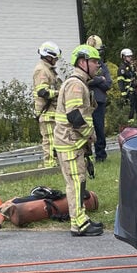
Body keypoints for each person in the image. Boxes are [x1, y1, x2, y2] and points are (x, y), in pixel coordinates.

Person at [53, 44, 104, 237]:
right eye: (94, 61)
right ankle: (78, 224)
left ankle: (80, 219)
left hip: (73, 142)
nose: (97, 65)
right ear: (83, 62)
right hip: (70, 142)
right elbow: (74, 115)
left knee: (79, 181)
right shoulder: (75, 84)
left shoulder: (80, 83)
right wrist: (90, 135)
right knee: (75, 183)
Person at [33, 41, 62, 168]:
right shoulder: (41, 70)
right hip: (46, 112)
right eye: (54, 58)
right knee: (49, 140)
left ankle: (55, 162)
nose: (56, 60)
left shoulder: (48, 70)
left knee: (55, 139)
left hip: (52, 111)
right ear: (48, 56)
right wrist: (58, 93)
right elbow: (42, 91)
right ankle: (50, 164)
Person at [85, 35, 112, 163]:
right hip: (86, 102)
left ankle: (101, 156)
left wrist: (94, 81)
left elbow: (108, 84)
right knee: (86, 129)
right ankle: (87, 155)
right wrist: (99, 79)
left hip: (99, 102)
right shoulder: (85, 66)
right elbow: (84, 80)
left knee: (99, 129)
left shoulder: (102, 66)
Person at [117, 48, 137, 127]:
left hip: (135, 92)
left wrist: (136, 83)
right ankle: (130, 126)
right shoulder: (121, 69)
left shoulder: (132, 67)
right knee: (130, 110)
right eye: (128, 56)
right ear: (124, 57)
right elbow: (120, 82)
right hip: (128, 93)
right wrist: (124, 94)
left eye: (130, 56)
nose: (130, 58)